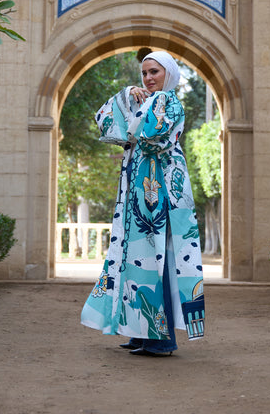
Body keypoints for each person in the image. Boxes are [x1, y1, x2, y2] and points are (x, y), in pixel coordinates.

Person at [81, 50, 205, 356]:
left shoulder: (168, 102)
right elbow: (105, 125)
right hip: (136, 193)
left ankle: (162, 340)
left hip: (159, 192)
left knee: (156, 260)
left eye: (155, 72)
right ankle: (139, 333)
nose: (148, 79)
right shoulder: (145, 100)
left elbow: (148, 133)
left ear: (169, 75)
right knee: (134, 258)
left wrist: (132, 108)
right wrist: (125, 96)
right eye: (145, 74)